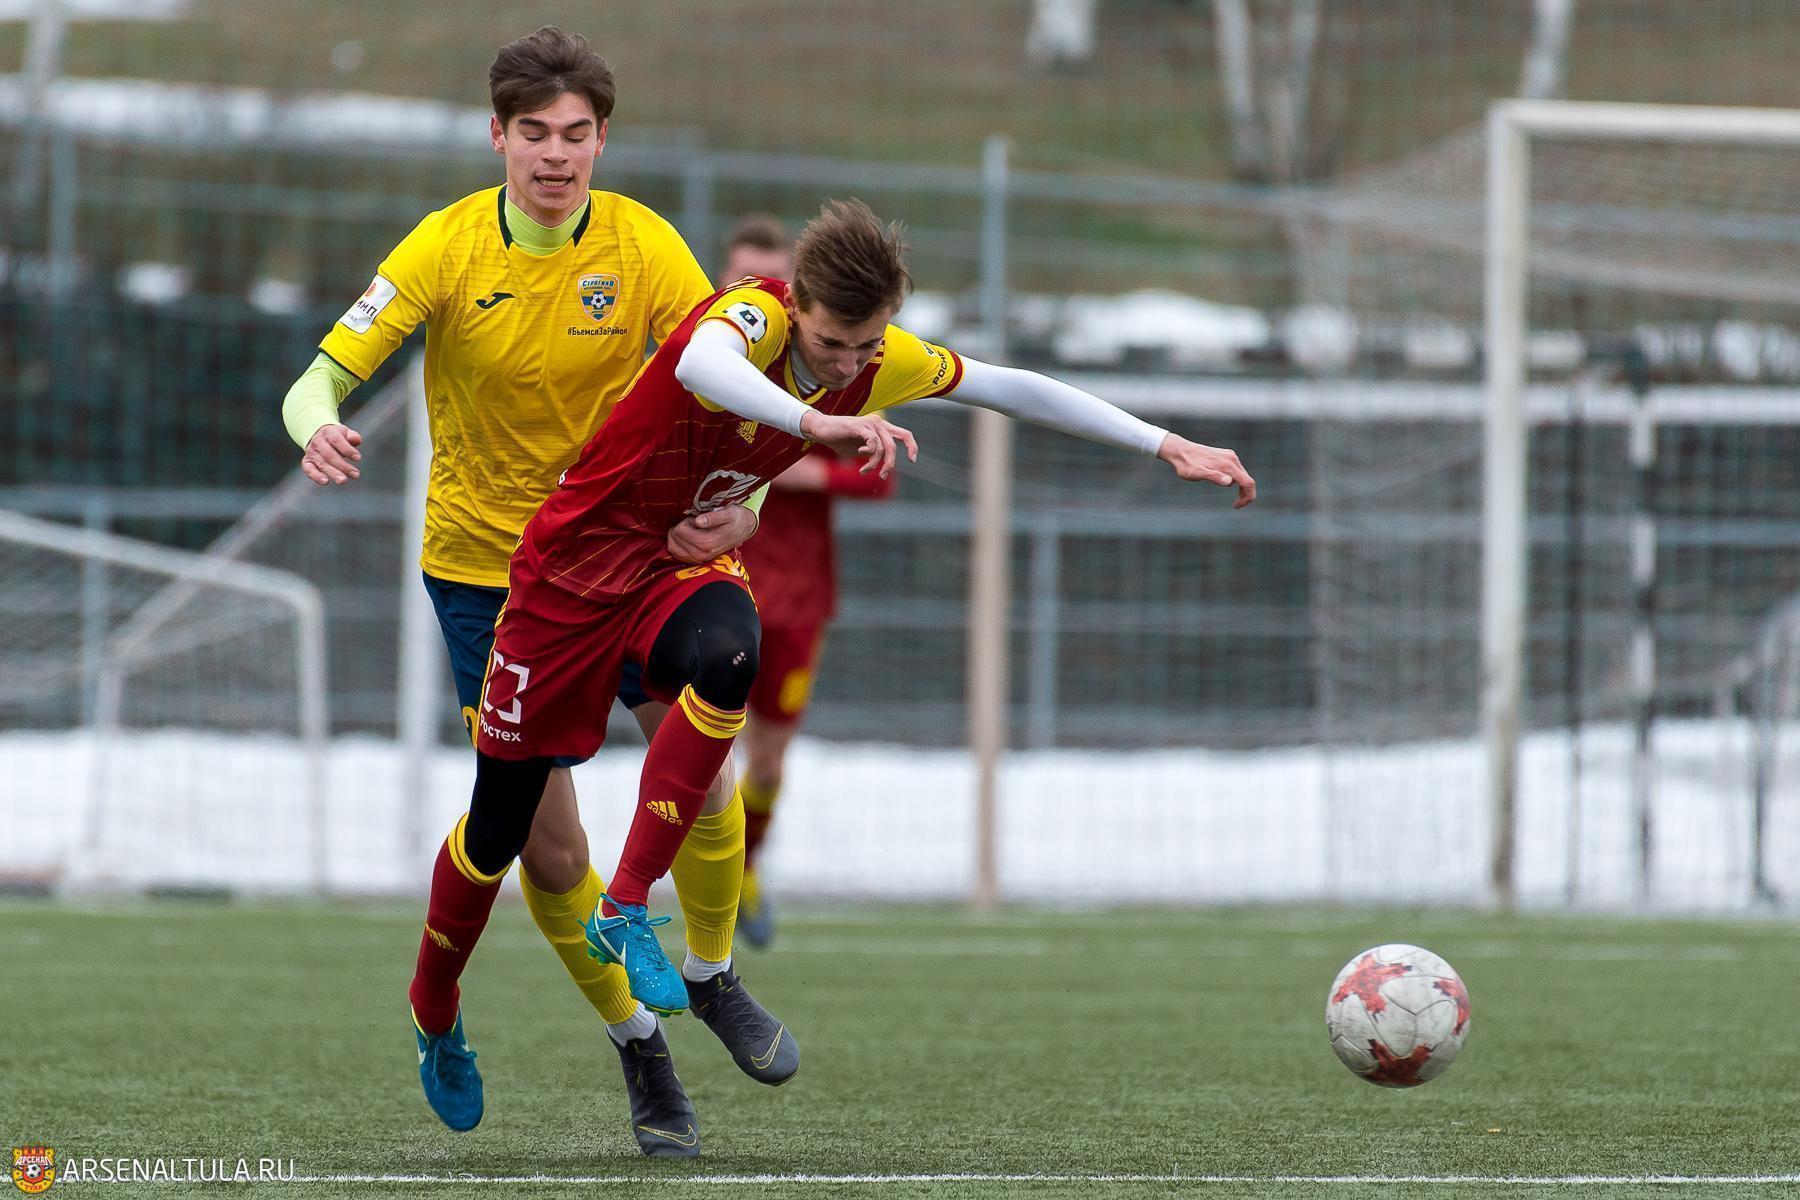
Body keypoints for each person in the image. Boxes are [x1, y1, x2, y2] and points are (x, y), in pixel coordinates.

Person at [405, 198, 1255, 1135]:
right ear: (797, 304)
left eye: (867, 346)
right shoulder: (753, 315)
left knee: (732, 654)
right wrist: (814, 424)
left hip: (667, 567)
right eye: (832, 343)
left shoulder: (877, 359)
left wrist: (1164, 442)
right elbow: (699, 362)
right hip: (566, 574)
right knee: (501, 828)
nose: (850, 365)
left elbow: (1012, 386)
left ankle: (656, 929)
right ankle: (433, 1007)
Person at [280, 27, 787, 1156]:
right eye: (534, 134)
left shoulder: (644, 245)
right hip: (490, 578)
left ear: (602, 140)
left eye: (576, 134)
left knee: (707, 755)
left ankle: (712, 973)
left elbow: (736, 386)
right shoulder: (448, 246)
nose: (555, 156)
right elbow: (319, 376)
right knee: (548, 854)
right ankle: (638, 1049)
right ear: (497, 137)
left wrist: (748, 504)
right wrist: (317, 426)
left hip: (630, 549)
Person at [715, 215, 897, 948]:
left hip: (798, 597)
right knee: (704, 750)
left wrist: (796, 471)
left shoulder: (838, 368)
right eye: (742, 277)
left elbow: (879, 477)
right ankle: (698, 883)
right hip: (711, 581)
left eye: (770, 276)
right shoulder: (708, 358)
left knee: (767, 758)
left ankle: (746, 867)